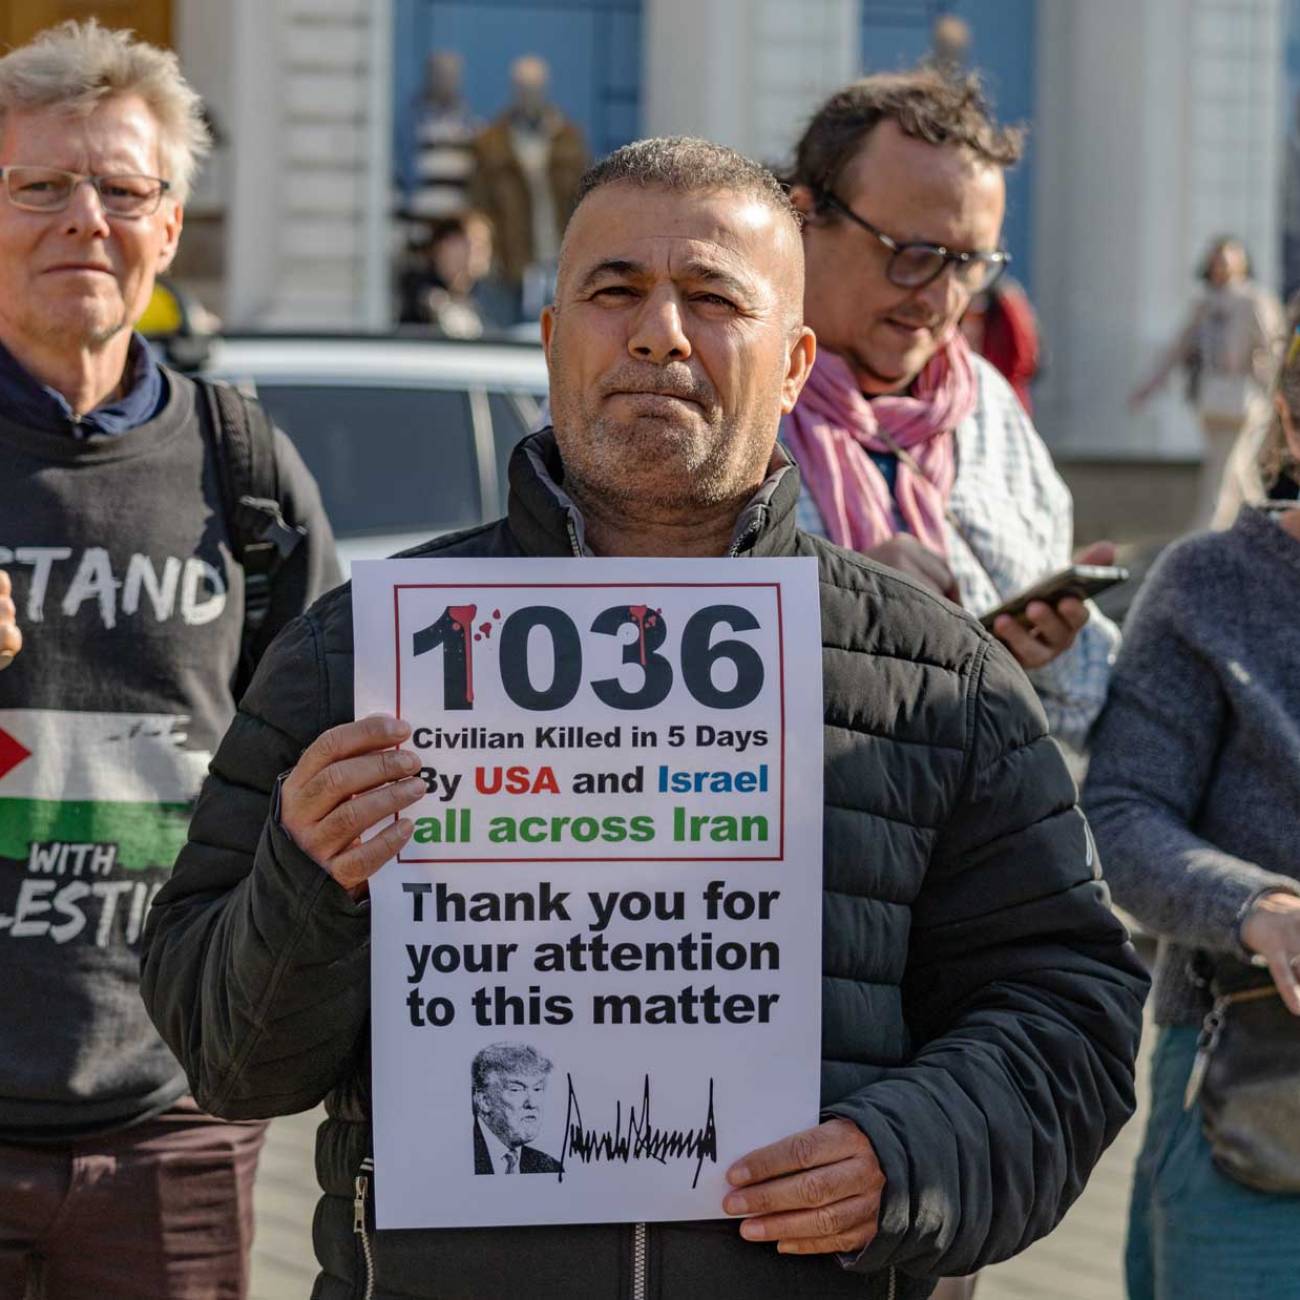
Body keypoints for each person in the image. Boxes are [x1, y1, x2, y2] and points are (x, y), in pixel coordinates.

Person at [141, 137, 1146, 1300]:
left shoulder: (935, 677)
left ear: (792, 362)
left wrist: (909, 1157)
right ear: (552, 336)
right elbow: (224, 1052)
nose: (660, 330)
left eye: (714, 297)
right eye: (614, 290)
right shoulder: (356, 652)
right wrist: (303, 878)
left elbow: (1068, 1011)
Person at [0, 21, 339, 1299]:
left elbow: (330, 751)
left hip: (173, 1125)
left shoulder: (244, 467)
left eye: (120, 189)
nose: (81, 217)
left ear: (169, 224)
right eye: (39, 184)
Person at [781, 71, 1120, 756]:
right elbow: (648, 652)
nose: (939, 298)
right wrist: (846, 602)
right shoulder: (719, 403)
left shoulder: (986, 408)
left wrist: (1049, 651)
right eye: (912, 256)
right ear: (803, 215)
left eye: (969, 264)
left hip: (975, 832)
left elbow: (1082, 718)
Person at [1085, 331, 1300, 1300]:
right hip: (1251, 1085)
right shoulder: (1205, 583)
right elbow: (1124, 815)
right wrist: (1255, 906)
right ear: (1289, 418)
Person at [1130, 235, 1284, 531]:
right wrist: (1149, 387)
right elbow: (1179, 347)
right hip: (1212, 399)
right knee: (1239, 470)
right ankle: (1268, 527)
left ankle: (1206, 530)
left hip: (1244, 400)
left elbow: (1273, 347)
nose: (1222, 267)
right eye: (1218, 260)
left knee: (1222, 470)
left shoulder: (1254, 300)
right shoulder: (1204, 303)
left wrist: (1275, 391)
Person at [471, 55, 587, 319]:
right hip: (509, 262)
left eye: (535, 88)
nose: (529, 96)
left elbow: (585, 198)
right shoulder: (492, 142)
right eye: (522, 88)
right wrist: (490, 254)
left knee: (558, 333)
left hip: (558, 257)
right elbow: (480, 205)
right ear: (513, 91)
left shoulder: (568, 139)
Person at [404, 50, 479, 222]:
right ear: (429, 77)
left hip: (453, 231)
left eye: (453, 76)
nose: (447, 81)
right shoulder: (410, 126)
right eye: (441, 75)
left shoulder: (471, 129)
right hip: (420, 226)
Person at [398, 210, 495, 336]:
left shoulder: (493, 297)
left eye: (483, 244)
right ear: (439, 249)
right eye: (470, 243)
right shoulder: (417, 290)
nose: (475, 252)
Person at [471, 1043, 562, 1175]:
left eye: (537, 1089)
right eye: (516, 1089)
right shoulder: (462, 1156)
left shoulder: (550, 1167)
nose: (532, 1103)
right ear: (484, 1101)